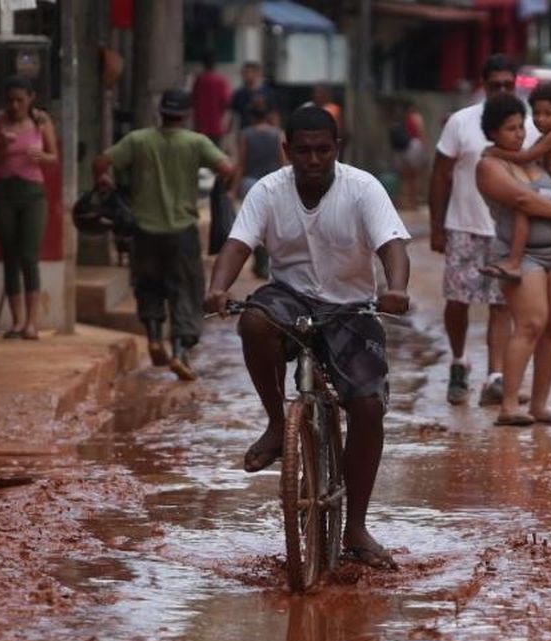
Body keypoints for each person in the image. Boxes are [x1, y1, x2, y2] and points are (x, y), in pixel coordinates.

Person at [203, 106, 411, 568]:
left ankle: (355, 527)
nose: (313, 159)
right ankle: (278, 424)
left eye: (323, 149)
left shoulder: (363, 188)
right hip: (290, 298)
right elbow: (238, 243)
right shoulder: (268, 190)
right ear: (287, 151)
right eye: (303, 151)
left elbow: (391, 245)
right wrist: (218, 288)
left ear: (336, 148)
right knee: (253, 321)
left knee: (366, 406)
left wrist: (396, 287)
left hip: (352, 307)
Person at [93, 89, 235, 381]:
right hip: (182, 232)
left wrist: (105, 182)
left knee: (148, 285)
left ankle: (155, 339)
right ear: (185, 115)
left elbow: (101, 163)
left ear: (161, 112)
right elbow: (227, 167)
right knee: (185, 289)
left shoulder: (138, 140)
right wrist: (223, 188)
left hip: (144, 230)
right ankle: (180, 352)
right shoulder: (195, 142)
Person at [430, 54, 540, 406]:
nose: (502, 91)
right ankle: (459, 361)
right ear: (484, 84)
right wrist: (436, 226)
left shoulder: (528, 127)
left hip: (506, 233)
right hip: (463, 226)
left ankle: (494, 377)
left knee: (500, 304)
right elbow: (440, 174)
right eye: (496, 85)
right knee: (457, 301)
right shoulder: (461, 123)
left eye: (509, 85)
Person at [476, 94, 551, 426]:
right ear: (493, 132)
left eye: (520, 127)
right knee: (530, 324)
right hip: (522, 254)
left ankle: (539, 405)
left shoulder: (536, 159)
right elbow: (522, 199)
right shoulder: (489, 166)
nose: (520, 134)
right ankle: (509, 405)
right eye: (510, 129)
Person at [481, 80, 551, 282]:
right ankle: (516, 260)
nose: (540, 119)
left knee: (525, 202)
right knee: (525, 200)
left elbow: (525, 157)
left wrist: (495, 151)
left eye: (548, 114)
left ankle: (514, 261)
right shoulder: (545, 140)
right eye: (536, 113)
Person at [0, 76, 58, 340]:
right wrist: (2, 147)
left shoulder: (41, 122)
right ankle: (16, 322)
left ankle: (31, 322)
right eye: (11, 100)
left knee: (29, 255)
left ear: (31, 98)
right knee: (10, 256)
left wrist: (43, 157)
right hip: (4, 192)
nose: (15, 105)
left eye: (20, 100)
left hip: (33, 195)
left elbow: (54, 156)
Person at [235, 101, 286, 200]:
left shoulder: (245, 134)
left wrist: (233, 190)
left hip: (251, 183)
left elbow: (241, 164)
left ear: (251, 116)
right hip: (273, 182)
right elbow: (283, 162)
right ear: (266, 116)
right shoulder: (278, 134)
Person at [391, 102, 426, 209]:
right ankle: (413, 202)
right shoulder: (416, 117)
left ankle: (404, 202)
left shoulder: (404, 119)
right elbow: (421, 133)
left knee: (404, 176)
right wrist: (425, 147)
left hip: (403, 149)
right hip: (414, 147)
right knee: (414, 176)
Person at [191, 55, 231, 145]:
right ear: (215, 64)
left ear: (203, 64)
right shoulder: (221, 81)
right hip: (216, 126)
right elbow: (226, 102)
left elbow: (193, 100)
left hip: (200, 125)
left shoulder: (199, 80)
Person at [230, 61, 276, 134]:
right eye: (244, 72)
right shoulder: (239, 93)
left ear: (257, 73)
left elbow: (273, 114)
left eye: (248, 72)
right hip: (244, 133)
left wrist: (275, 133)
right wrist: (229, 134)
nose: (245, 75)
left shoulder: (267, 92)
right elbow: (233, 115)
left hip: (264, 133)